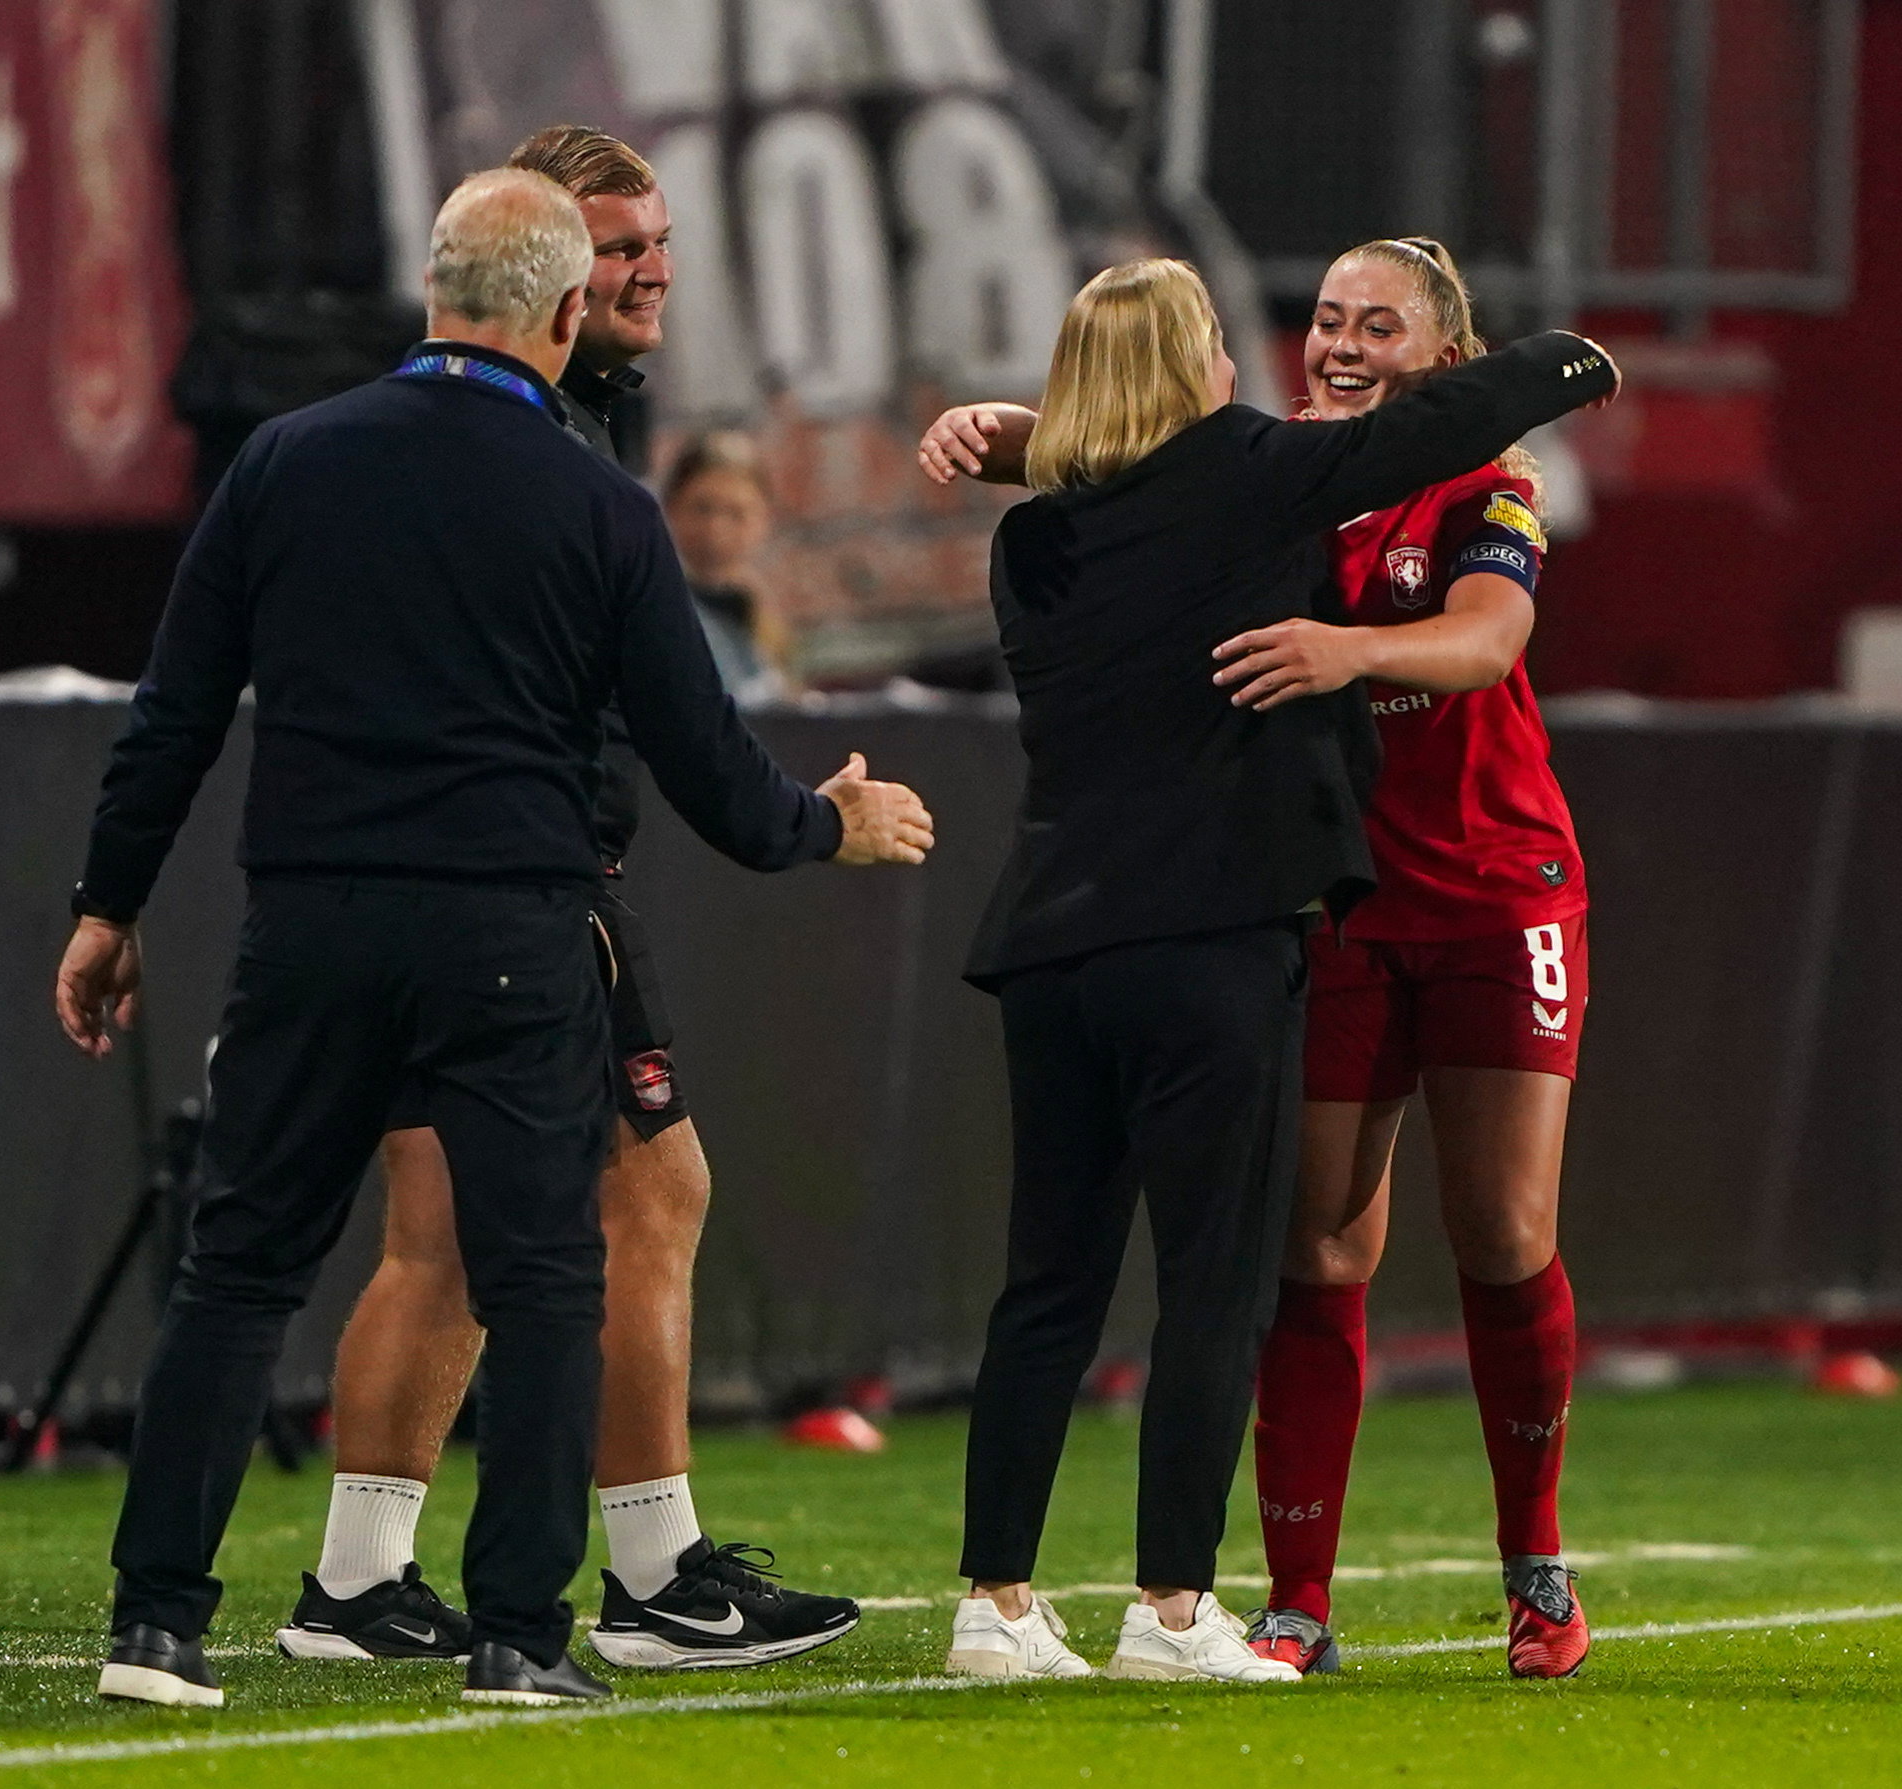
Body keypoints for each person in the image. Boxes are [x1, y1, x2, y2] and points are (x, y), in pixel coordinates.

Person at [54, 167, 931, 1712]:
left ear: (435, 290)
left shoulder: (283, 463)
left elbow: (173, 716)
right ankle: (523, 1639)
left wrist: (106, 905)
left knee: (239, 1272)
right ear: (564, 307)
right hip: (512, 931)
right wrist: (826, 826)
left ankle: (157, 1627)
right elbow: (707, 766)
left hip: (310, 926)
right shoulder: (597, 501)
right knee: (541, 1282)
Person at [923, 257, 1616, 1685]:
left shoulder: (1468, 485)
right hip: (1315, 901)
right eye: (1328, 320)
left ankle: (1531, 1557)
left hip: (1491, 885)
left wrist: (1337, 649)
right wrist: (995, 427)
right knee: (1301, 1252)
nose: (1343, 343)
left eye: (1380, 325)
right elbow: (1125, 457)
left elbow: (1488, 639)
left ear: (1441, 357)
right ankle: (1277, 1596)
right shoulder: (1270, 474)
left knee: (1497, 1230)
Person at [276, 127, 858, 1677]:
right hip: (526, 886)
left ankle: (355, 1579)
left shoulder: (523, 432)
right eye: (617, 246)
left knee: (452, 1234)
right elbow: (680, 728)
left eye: (656, 239)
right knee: (638, 1198)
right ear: (538, 266)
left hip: (425, 879)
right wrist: (818, 823)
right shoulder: (549, 454)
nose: (648, 267)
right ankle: (654, 1570)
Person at [662, 431, 796, 702]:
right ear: (671, 507)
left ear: (764, 519)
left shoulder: (760, 615)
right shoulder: (659, 607)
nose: (716, 529)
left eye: (736, 513)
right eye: (702, 509)